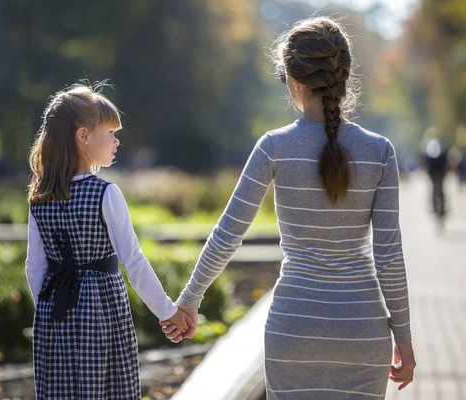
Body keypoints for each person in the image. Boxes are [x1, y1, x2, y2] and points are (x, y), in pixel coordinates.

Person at [161, 16, 416, 399]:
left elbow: (229, 232)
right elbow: (389, 256)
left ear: (294, 81)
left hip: (293, 328)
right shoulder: (379, 151)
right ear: (342, 78)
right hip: (362, 330)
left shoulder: (274, 147)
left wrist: (189, 300)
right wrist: (405, 338)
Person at [25, 82, 193, 399]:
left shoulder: (40, 198)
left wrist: (50, 312)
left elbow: (35, 268)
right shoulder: (105, 193)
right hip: (100, 311)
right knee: (103, 388)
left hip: (54, 312)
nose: (117, 142)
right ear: (83, 136)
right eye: (111, 133)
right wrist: (168, 312)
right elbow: (134, 263)